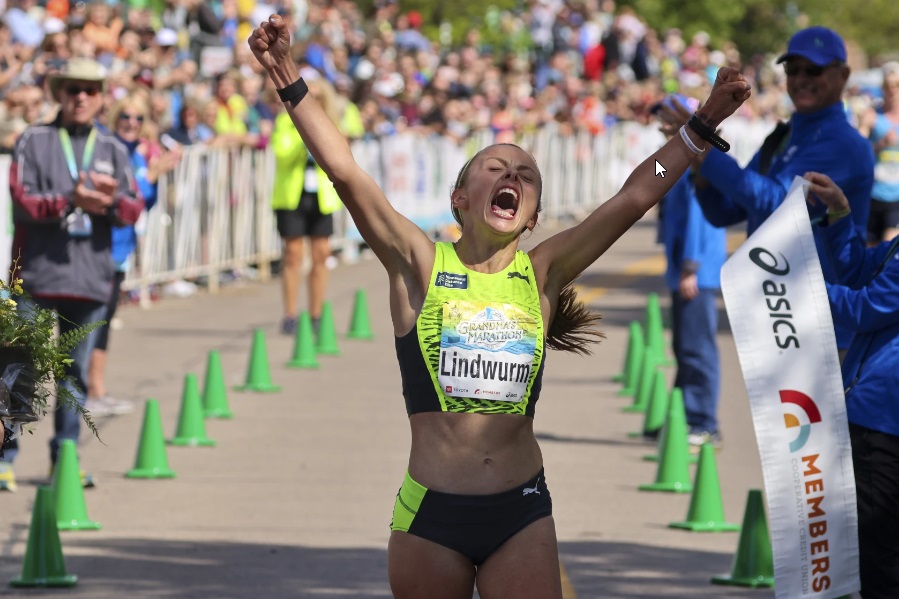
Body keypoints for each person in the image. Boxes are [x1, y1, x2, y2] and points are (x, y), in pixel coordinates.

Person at [249, 14, 749, 598]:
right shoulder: (418, 263)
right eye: (495, 167)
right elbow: (344, 170)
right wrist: (285, 72)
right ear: (461, 198)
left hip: (520, 514)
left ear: (532, 216)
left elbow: (634, 196)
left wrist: (703, 124)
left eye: (526, 176)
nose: (512, 175)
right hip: (430, 519)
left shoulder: (542, 273)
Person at [657, 26, 875, 355]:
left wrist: (702, 146)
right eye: (793, 69)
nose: (801, 78)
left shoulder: (846, 145)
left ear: (842, 75)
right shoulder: (783, 137)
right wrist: (698, 168)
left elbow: (780, 204)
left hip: (826, 327)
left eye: (813, 69)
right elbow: (725, 211)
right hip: (779, 318)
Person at [1, 57, 144, 485]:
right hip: (36, 276)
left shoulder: (113, 148)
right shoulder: (33, 139)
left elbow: (133, 207)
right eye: (73, 89)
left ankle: (64, 458)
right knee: (16, 369)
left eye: (90, 90)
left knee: (73, 377)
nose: (81, 97)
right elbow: (22, 200)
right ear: (60, 94)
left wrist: (111, 203)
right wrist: (70, 200)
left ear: (101, 98)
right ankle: (5, 457)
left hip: (90, 280)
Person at [804, 171, 899, 599]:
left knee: (879, 555)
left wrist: (799, 290)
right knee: (868, 549)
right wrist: (841, 214)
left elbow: (863, 308)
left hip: (886, 421)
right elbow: (860, 271)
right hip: (872, 412)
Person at [85, 93, 179, 417]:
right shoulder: (109, 151)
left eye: (138, 119)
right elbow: (124, 198)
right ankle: (90, 390)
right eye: (125, 116)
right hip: (101, 246)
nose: (131, 123)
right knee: (93, 321)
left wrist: (153, 178)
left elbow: (140, 205)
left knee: (105, 320)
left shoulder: (136, 155)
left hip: (122, 247)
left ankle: (97, 388)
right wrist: (149, 179)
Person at [654, 96, 727, 449]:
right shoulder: (677, 153)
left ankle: (703, 421)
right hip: (684, 267)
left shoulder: (695, 154)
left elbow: (699, 215)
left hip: (695, 271)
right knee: (684, 345)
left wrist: (691, 267)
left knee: (697, 347)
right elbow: (656, 180)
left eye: (668, 117)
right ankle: (681, 416)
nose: (661, 124)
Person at [269, 77, 342, 335]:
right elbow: (281, 153)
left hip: (322, 196)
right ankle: (289, 314)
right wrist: (304, 137)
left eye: (319, 98)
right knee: (292, 255)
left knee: (321, 254)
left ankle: (316, 314)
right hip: (292, 195)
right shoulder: (285, 122)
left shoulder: (331, 124)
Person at [858, 62, 899, 244]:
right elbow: (856, 152)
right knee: (870, 249)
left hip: (896, 196)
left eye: (896, 85)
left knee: (889, 245)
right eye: (887, 86)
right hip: (873, 193)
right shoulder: (872, 116)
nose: (892, 91)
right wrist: (881, 144)